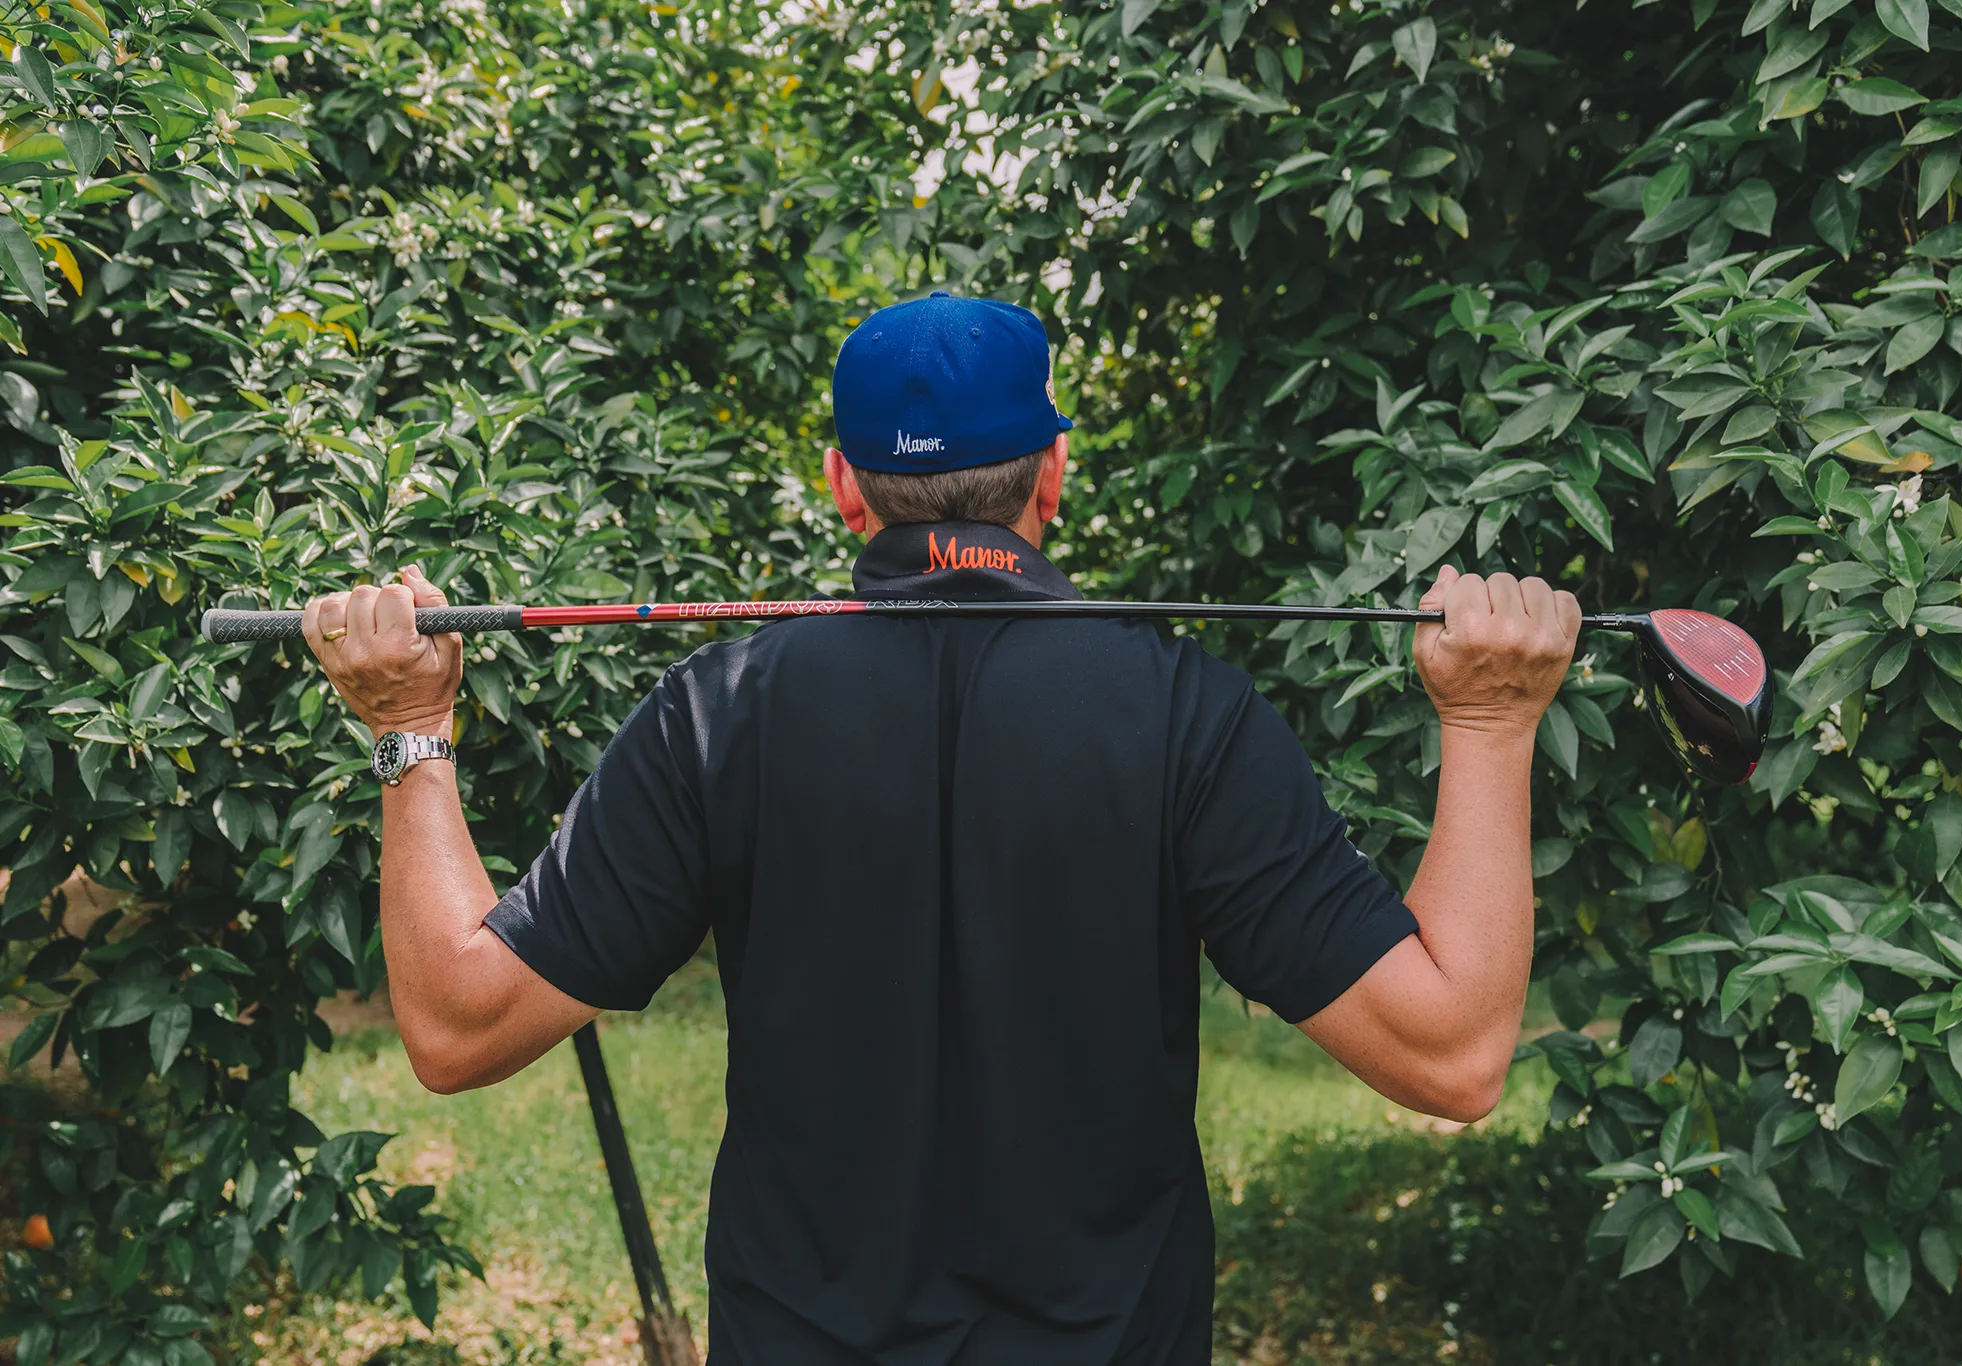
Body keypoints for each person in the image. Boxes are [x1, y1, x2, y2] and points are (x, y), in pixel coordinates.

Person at [302, 290, 1580, 1365]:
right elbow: (1450, 1051)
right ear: (1054, 475)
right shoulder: (1187, 714)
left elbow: (458, 1026)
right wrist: (1488, 720)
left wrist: (409, 728)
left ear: (845, 487)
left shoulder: (719, 714)